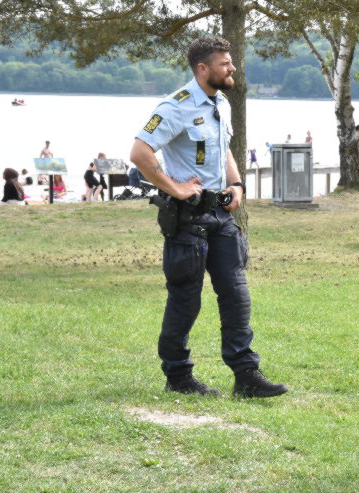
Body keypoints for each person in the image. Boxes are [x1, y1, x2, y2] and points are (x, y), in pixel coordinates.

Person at [129, 36, 287, 398]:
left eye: (231, 62)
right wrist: (176, 188)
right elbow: (140, 152)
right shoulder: (176, 106)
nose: (232, 68)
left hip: (222, 216)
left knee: (236, 295)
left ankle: (246, 376)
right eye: (225, 63)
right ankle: (178, 377)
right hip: (188, 219)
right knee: (186, 300)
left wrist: (237, 184)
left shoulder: (221, 103)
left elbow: (223, 148)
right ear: (203, 69)